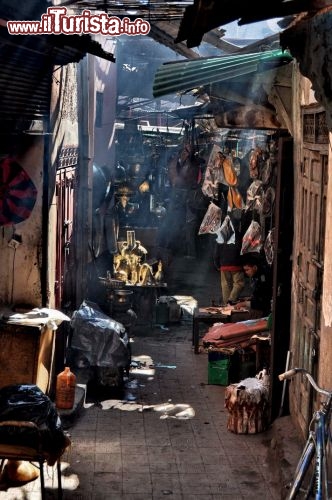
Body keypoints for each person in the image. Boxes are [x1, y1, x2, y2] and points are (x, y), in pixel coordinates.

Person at [213, 210, 245, 305]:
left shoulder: (221, 235)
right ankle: (231, 300)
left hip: (224, 264)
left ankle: (227, 306)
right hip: (236, 264)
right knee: (239, 284)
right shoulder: (239, 235)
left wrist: (217, 264)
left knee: (226, 286)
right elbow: (242, 249)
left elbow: (216, 252)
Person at [234, 253, 272, 318]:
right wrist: (250, 298)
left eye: (247, 270)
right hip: (260, 306)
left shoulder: (263, 278)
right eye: (245, 270)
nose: (246, 272)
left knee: (235, 316)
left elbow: (262, 302)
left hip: (264, 310)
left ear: (254, 267)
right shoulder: (257, 276)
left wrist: (245, 303)